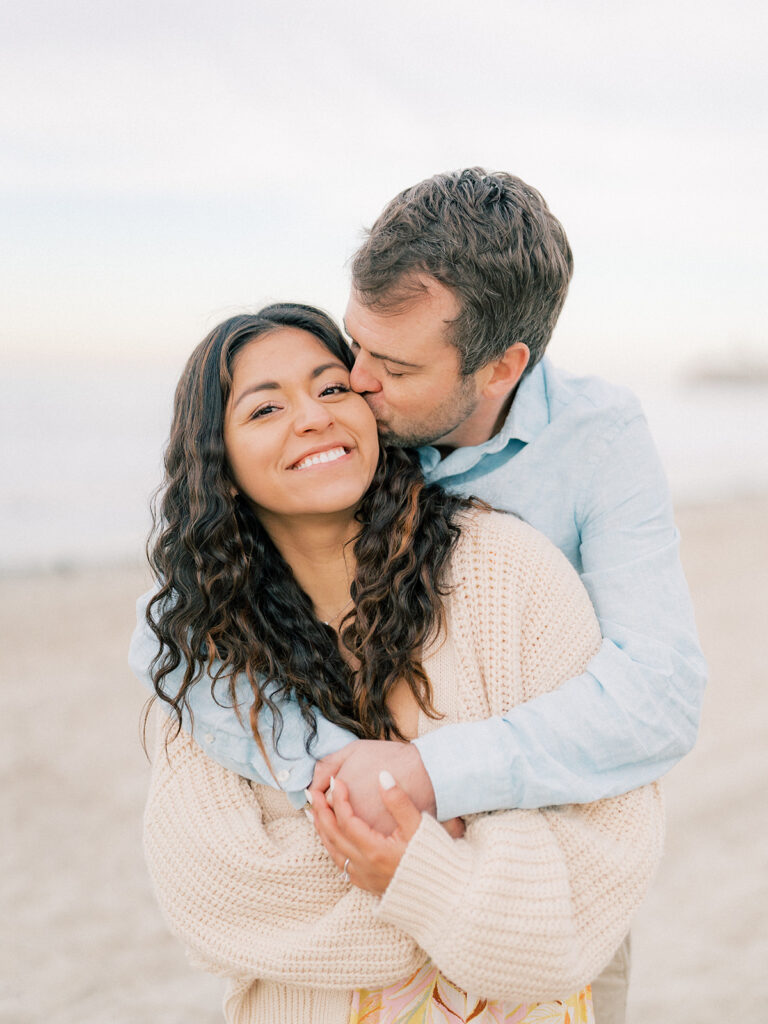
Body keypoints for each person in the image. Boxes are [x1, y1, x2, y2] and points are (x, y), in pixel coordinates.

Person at [131, 169, 706, 1020]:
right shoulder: (331, 460)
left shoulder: (582, 459)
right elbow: (177, 658)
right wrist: (341, 783)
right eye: (352, 345)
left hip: (547, 916)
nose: (352, 385)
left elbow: (655, 700)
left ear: (502, 366)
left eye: (387, 367)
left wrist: (424, 783)